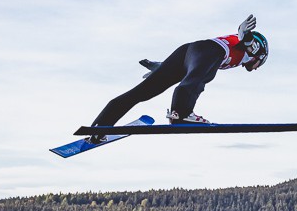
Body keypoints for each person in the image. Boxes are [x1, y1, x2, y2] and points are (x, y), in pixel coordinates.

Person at [88, 15, 268, 142]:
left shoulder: (239, 54)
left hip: (188, 53)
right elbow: (246, 40)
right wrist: (245, 34)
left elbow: (193, 64)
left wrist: (163, 69)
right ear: (259, 54)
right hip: (208, 51)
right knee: (201, 78)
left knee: (141, 92)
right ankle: (181, 114)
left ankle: (100, 127)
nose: (257, 68)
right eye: (260, 63)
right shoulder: (249, 50)